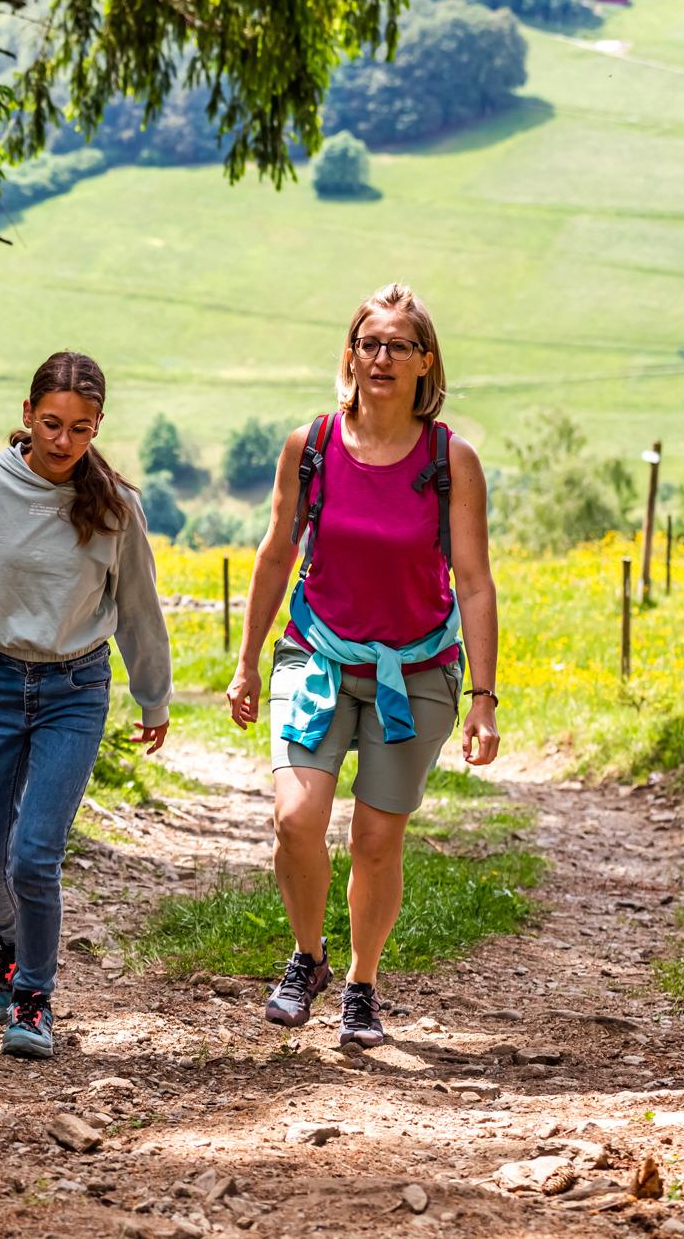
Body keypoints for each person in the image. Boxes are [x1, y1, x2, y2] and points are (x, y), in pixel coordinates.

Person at [226, 282, 500, 1049]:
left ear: (425, 361)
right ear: (350, 355)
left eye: (398, 346)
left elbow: (475, 582)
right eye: (369, 344)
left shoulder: (451, 460)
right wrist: (246, 662)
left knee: (378, 840)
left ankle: (361, 985)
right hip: (315, 655)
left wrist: (484, 697)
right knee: (295, 817)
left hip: (416, 672)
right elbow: (275, 554)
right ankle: (307, 956)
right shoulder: (310, 446)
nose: (381, 358)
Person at [0, 351, 172, 1060]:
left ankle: (34, 997)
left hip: (74, 691)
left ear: (97, 426)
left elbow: (139, 608)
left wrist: (154, 696)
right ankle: (14, 943)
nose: (62, 440)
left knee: (35, 855)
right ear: (27, 415)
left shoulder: (115, 507)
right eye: (51, 423)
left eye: (80, 428)